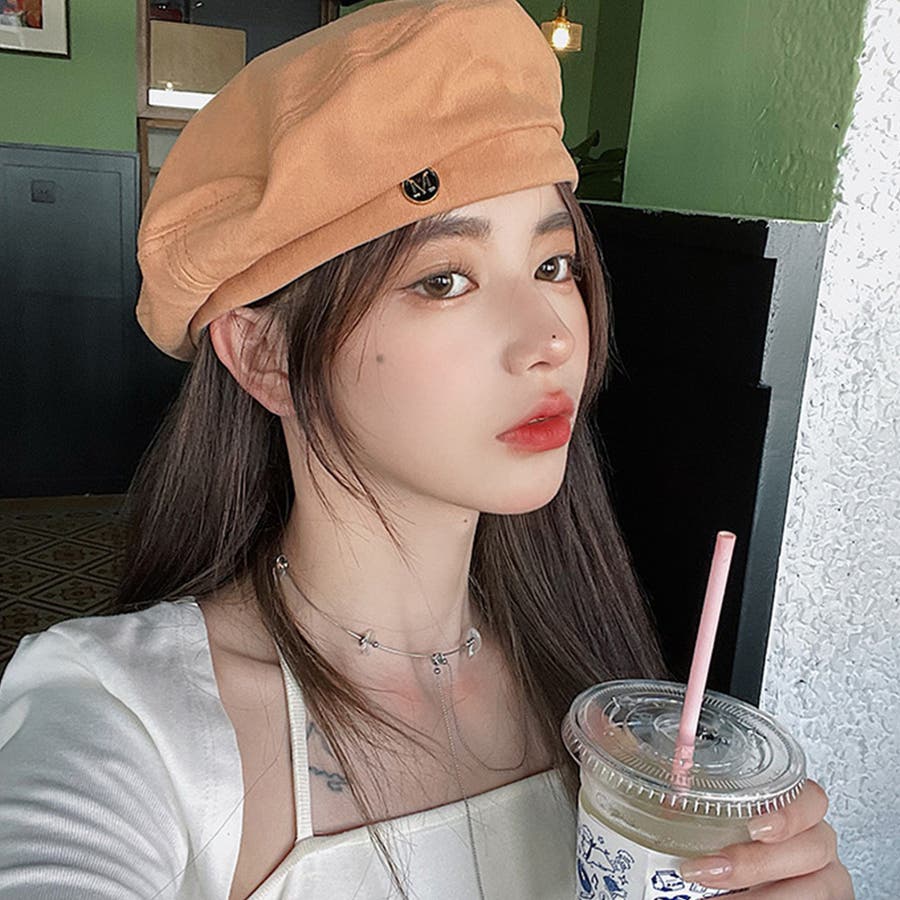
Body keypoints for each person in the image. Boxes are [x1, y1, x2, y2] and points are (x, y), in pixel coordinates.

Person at [0, 0, 852, 897]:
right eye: (445, 280)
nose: (551, 338)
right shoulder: (120, 720)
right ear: (265, 355)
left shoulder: (602, 693)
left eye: (554, 266)